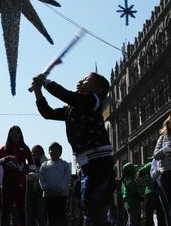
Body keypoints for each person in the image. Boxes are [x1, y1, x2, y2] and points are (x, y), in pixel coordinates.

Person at [32, 72, 112, 226]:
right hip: (87, 163)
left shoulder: (92, 100)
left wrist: (46, 82)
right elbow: (48, 113)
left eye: (86, 80)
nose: (80, 81)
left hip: (99, 162)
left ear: (98, 89)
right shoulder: (72, 108)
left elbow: (67, 95)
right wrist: (37, 91)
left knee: (94, 205)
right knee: (89, 204)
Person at [0, 126, 35, 226]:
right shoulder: (4, 148)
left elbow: (33, 166)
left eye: (17, 133)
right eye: (13, 133)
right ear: (9, 135)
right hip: (7, 181)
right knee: (6, 208)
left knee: (21, 208)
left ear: (21, 135)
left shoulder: (25, 148)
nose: (15, 135)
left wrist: (22, 166)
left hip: (21, 182)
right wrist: (7, 158)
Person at [38, 142, 71, 226]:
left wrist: (59, 190)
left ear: (60, 152)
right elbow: (41, 178)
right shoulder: (44, 165)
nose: (53, 151)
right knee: (50, 217)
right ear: (49, 152)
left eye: (56, 150)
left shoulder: (65, 164)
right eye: (51, 149)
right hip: (48, 196)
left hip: (61, 195)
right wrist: (46, 188)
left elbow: (67, 178)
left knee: (61, 217)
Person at [138, 161, 165, 226]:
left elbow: (139, 173)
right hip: (160, 192)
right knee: (161, 214)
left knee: (148, 215)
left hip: (150, 193)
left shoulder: (150, 164)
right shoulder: (163, 162)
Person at [26, 145, 47, 226]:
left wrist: (31, 175)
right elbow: (25, 177)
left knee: (41, 217)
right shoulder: (30, 164)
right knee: (30, 217)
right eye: (32, 152)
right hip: (29, 195)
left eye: (36, 152)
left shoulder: (44, 163)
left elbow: (42, 175)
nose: (33, 153)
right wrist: (35, 176)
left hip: (40, 194)